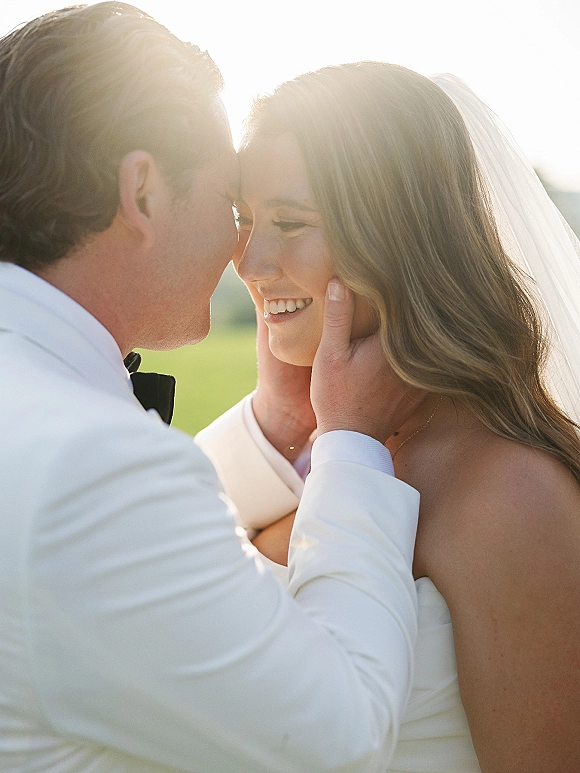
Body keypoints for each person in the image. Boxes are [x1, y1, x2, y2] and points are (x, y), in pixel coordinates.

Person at [0, 8, 430, 773]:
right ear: (143, 192)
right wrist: (351, 443)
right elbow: (344, 736)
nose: (246, 249)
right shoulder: (91, 471)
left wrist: (273, 425)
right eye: (233, 205)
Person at [197, 63, 580, 771]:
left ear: (395, 237)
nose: (250, 261)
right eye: (245, 221)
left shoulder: (510, 494)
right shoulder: (325, 445)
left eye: (290, 222)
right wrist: (289, 419)